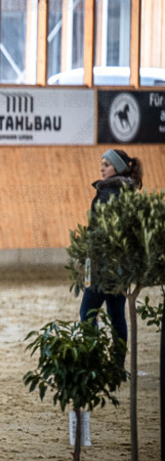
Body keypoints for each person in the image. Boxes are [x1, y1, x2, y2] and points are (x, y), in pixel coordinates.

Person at [79, 148, 144, 347]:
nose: (102, 169)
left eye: (106, 165)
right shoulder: (129, 192)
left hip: (102, 266)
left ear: (117, 168)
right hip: (121, 267)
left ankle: (93, 361)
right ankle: (117, 365)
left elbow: (98, 232)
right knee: (117, 316)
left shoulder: (107, 193)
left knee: (87, 312)